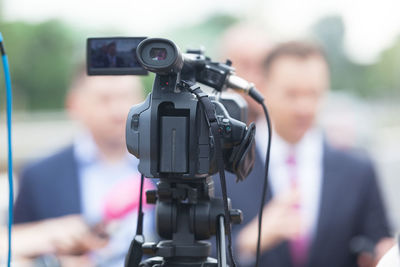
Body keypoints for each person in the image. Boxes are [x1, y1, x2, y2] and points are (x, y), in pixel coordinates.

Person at [215, 41, 392, 267]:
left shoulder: (358, 170)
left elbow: (380, 243)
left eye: (314, 94)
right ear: (264, 88)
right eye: (292, 94)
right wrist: (244, 244)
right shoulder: (222, 169)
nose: (304, 107)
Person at [13, 67, 154, 266]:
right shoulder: (38, 176)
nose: (118, 110)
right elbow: (17, 252)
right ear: (74, 104)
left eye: (126, 97)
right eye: (104, 99)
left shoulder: (178, 169)